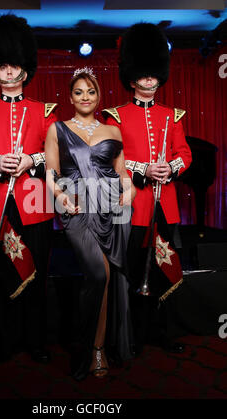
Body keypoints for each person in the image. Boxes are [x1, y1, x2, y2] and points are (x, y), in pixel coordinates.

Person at [0, 15, 57, 364]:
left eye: (14, 66)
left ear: (26, 69)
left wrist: (31, 160)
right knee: (2, 277)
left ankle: (36, 342)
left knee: (38, 276)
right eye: (3, 67)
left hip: (37, 205)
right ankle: (6, 342)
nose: (9, 73)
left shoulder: (45, 111)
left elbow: (56, 152)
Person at [103, 23, 192, 354]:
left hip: (164, 206)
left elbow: (185, 154)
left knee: (162, 271)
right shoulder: (115, 116)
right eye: (144, 74)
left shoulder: (173, 115)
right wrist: (142, 169)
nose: (149, 80)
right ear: (132, 77)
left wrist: (170, 168)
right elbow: (111, 158)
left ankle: (162, 332)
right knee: (130, 273)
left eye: (154, 74)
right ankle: (132, 335)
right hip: (133, 207)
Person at [45, 67, 136, 381]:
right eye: (79, 92)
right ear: (71, 97)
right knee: (99, 274)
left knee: (110, 277)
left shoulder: (113, 131)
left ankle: (100, 348)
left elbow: (122, 172)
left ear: (99, 96)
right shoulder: (57, 129)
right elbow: (51, 173)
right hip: (78, 210)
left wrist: (131, 188)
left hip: (112, 210)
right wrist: (60, 197)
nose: (85, 97)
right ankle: (90, 349)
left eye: (91, 91)